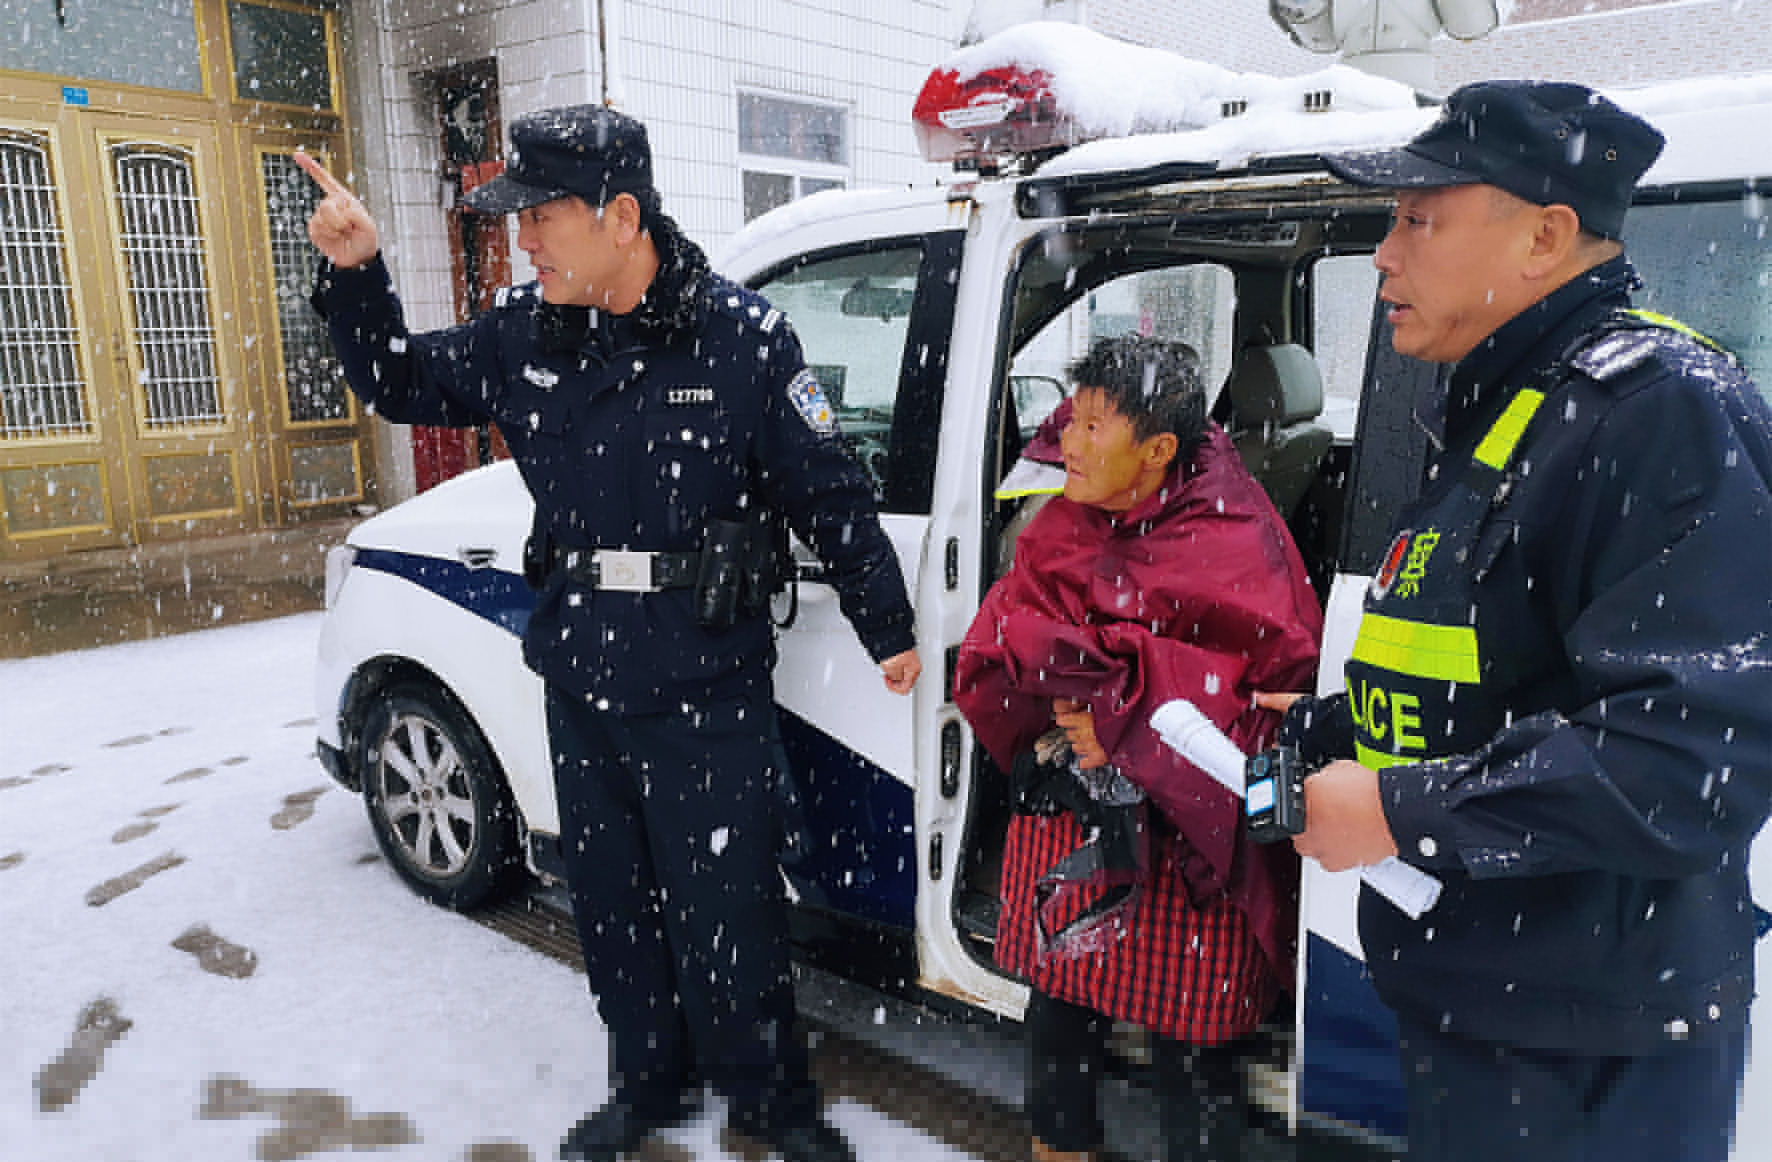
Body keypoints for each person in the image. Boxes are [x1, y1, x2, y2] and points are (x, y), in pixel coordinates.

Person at [296, 106, 921, 1162]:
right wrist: (357, 275)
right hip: (581, 675)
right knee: (612, 905)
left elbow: (830, 495)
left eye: (541, 216)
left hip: (706, 681)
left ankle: (768, 1100)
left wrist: (887, 626)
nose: (523, 240)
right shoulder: (524, 335)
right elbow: (399, 379)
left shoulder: (742, 339)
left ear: (620, 216)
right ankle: (648, 1081)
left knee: (728, 910)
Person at [1269, 80, 1772, 1161]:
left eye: (1418, 219)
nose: (1382, 256)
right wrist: (1328, 734)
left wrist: (1401, 808)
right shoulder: (1509, 402)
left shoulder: (1660, 411)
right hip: (1492, 1014)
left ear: (1543, 237)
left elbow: (1689, 757)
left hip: (1589, 1053)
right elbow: (1494, 669)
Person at [954, 336, 1323, 1162]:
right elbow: (1009, 630)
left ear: (1157, 450)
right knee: (1057, 1012)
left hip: (1186, 827)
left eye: (1093, 427)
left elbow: (1272, 701)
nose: (1069, 443)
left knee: (1191, 1052)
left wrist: (1128, 712)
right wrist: (1066, 702)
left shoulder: (1235, 534)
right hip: (1081, 807)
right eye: (1070, 420)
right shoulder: (1069, 517)